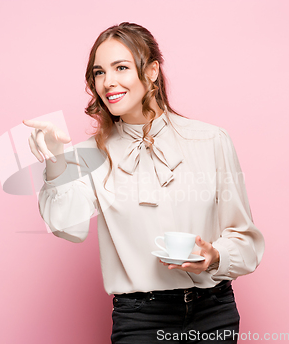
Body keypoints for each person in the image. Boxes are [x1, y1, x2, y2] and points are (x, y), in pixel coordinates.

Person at [23, 22, 265, 344]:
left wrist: (215, 256)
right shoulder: (91, 154)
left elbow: (245, 240)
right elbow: (70, 227)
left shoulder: (210, 140)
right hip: (139, 319)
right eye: (98, 72)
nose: (108, 82)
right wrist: (56, 162)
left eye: (121, 67)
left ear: (151, 71)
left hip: (213, 312)